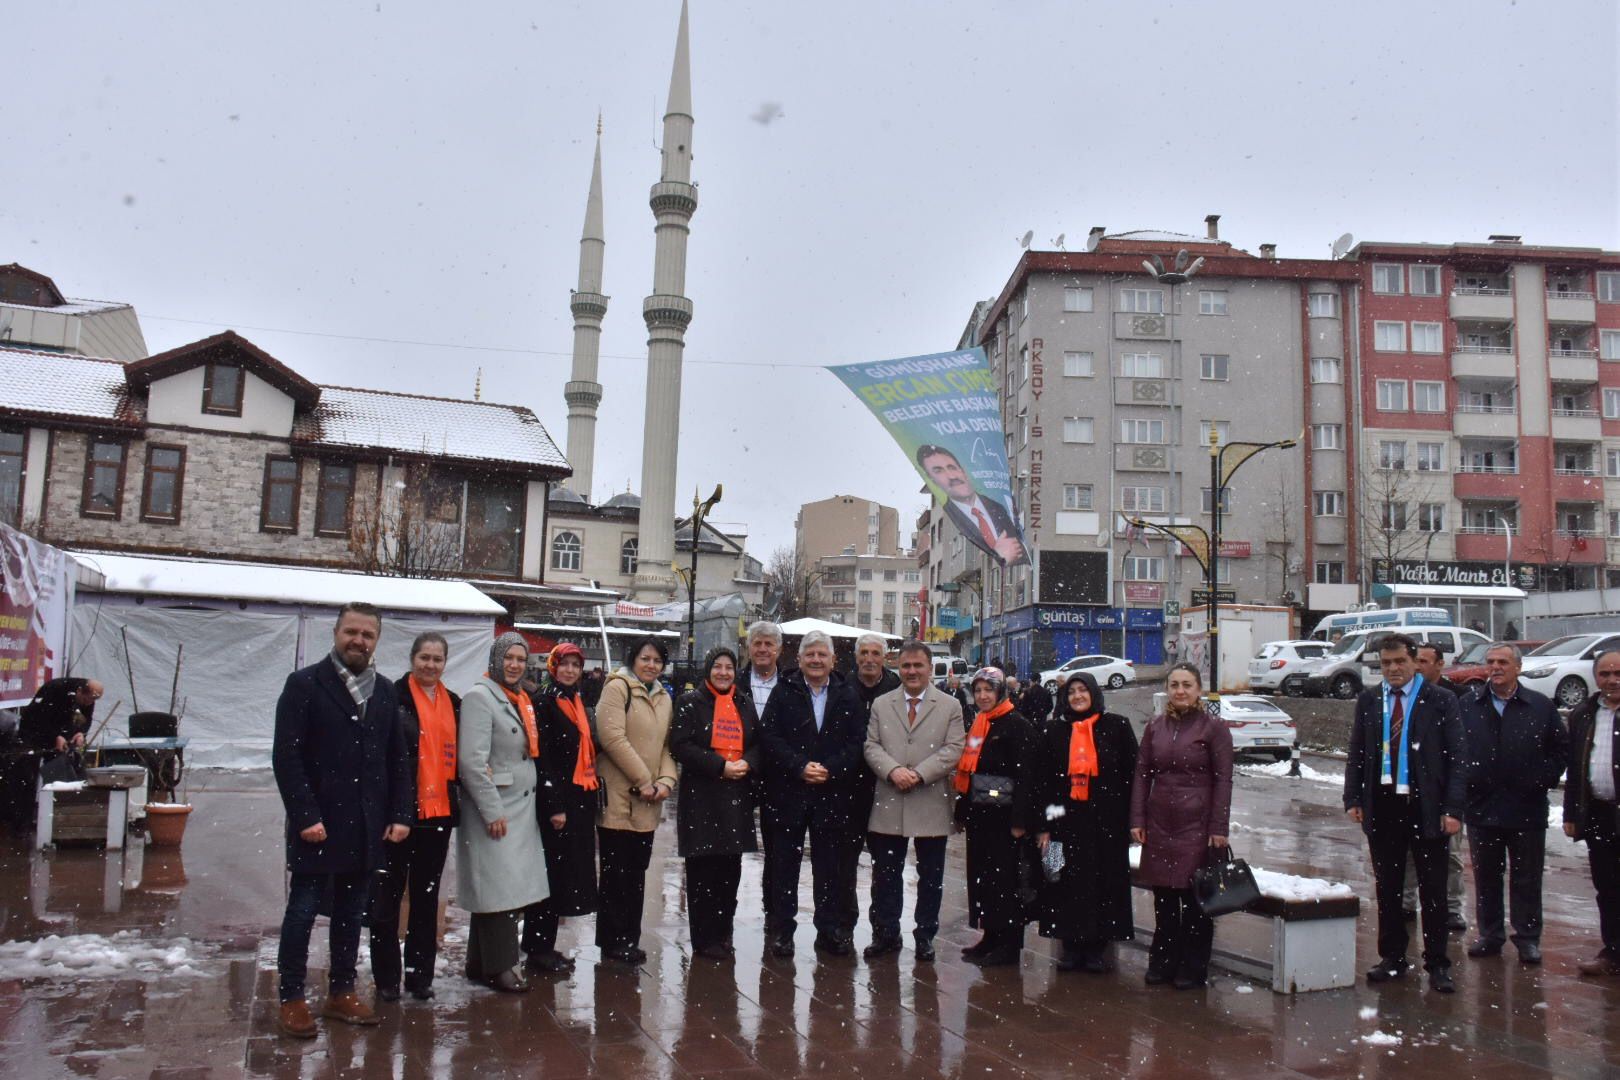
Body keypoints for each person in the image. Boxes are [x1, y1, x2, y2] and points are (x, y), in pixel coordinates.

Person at [271, 602, 411, 1038]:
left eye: (368, 634)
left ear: (377, 641)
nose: (359, 641)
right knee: (303, 912)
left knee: (352, 913)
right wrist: (305, 815)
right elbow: (286, 757)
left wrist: (400, 813)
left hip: (367, 825)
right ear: (335, 634)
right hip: (319, 824)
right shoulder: (304, 685)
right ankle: (292, 997)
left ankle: (341, 991)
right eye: (351, 631)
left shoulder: (385, 691)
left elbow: (397, 758)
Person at [1343, 633, 1465, 994]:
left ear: (1414, 662)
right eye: (1386, 663)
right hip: (1383, 806)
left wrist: (1454, 808)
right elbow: (1357, 752)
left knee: (1433, 891)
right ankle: (1393, 957)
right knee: (1389, 889)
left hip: (1426, 805)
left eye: (1400, 662)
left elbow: (1458, 758)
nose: (1393, 669)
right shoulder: (1369, 700)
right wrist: (1353, 797)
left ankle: (1438, 963)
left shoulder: (1439, 700)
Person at [758, 628, 867, 959]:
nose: (816, 660)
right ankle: (782, 931)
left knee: (829, 867)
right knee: (784, 865)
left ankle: (828, 929)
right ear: (800, 659)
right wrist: (800, 766)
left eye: (822, 654)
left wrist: (830, 769)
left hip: (832, 793)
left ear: (833, 659)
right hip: (790, 791)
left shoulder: (848, 694)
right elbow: (770, 737)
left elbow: (857, 743)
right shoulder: (784, 691)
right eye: (810, 654)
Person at [458, 632, 555, 993]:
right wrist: (491, 809)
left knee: (498, 886)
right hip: (496, 807)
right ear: (496, 660)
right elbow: (471, 761)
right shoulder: (480, 697)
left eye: (520, 658)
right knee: (498, 888)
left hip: (518, 806)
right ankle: (501, 967)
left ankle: (479, 961)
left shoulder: (517, 697)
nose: (514, 665)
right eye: (508, 658)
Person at [1460, 643, 1568, 966]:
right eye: (1490, 662)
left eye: (1503, 662)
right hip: (1483, 808)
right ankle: (1490, 934)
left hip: (1527, 809)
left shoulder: (1539, 706)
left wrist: (1541, 779)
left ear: (1517, 668)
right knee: (1487, 878)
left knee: (1527, 879)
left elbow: (1560, 750)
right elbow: (1455, 749)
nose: (1495, 667)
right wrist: (1470, 781)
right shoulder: (1469, 705)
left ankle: (1528, 938)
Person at [369, 632, 459, 1002]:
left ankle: (420, 975)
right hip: (400, 815)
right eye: (424, 657)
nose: (430, 665)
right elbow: (382, 760)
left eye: (437, 659)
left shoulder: (454, 702)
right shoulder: (390, 697)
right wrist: (392, 809)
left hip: (438, 814)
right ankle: (387, 977)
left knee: (426, 897)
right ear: (412, 658)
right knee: (387, 897)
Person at [1130, 663, 1232, 989]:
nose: (1180, 691)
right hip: (1160, 824)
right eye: (1174, 684)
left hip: (1197, 826)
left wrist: (1219, 826)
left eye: (1187, 684)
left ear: (1198, 689)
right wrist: (1137, 819)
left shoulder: (1214, 728)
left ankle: (1193, 966)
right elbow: (1142, 774)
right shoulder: (1155, 727)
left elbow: (1223, 780)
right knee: (1163, 899)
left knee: (1194, 899)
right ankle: (1162, 961)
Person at [862, 640, 965, 962]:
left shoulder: (950, 705)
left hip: (930, 801)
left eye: (918, 665)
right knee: (885, 876)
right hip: (889, 800)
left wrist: (919, 774)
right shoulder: (881, 704)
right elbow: (871, 746)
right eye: (905, 666)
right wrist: (893, 771)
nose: (911, 671)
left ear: (929, 668)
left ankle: (925, 936)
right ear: (898, 669)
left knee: (931, 877)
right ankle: (886, 933)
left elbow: (953, 749)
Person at [1034, 671, 1138, 973]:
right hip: (1062, 822)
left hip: (1106, 824)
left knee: (1103, 883)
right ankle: (1069, 945)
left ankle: (1096, 946)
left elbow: (1132, 776)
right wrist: (1044, 825)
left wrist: (1130, 819)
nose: (1077, 696)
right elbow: (1042, 782)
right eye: (1071, 692)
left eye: (1083, 690)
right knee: (1060, 880)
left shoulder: (1116, 727)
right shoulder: (1053, 731)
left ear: (1094, 693)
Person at [671, 646, 763, 959]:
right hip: (702, 797)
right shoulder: (689, 703)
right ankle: (704, 938)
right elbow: (681, 746)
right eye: (717, 666)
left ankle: (723, 932)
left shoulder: (744, 702)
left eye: (729, 667)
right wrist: (719, 765)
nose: (723, 672)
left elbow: (757, 743)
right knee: (702, 874)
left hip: (736, 798)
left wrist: (747, 763)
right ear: (708, 669)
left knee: (729, 871)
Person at [594, 636, 678, 964]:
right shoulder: (618, 688)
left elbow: (667, 747)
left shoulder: (663, 697)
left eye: (657, 660)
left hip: (649, 801)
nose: (651, 665)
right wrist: (644, 779)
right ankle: (612, 941)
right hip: (619, 797)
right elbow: (612, 737)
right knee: (616, 872)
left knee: (636, 872)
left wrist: (666, 781)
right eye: (645, 658)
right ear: (634, 659)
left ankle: (629, 937)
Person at [524, 643, 600, 974]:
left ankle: (545, 945)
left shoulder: (576, 701)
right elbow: (543, 758)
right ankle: (538, 948)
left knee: (564, 875)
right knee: (550, 876)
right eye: (564, 664)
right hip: (559, 804)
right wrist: (554, 805)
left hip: (579, 799)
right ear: (553, 667)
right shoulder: (545, 702)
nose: (570, 670)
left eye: (575, 665)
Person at [954, 666, 1035, 967]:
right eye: (978, 690)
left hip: (1005, 820)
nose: (983, 695)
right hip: (981, 817)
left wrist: (1020, 820)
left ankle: (1009, 945)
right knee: (984, 880)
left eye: (989, 690)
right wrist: (962, 810)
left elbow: (1027, 777)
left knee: (1006, 883)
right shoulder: (980, 723)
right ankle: (990, 936)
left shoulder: (1017, 725)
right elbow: (969, 770)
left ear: (1001, 691)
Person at [1401, 643, 1468, 933]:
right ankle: (1405, 903)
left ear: (1441, 664)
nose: (1418, 667)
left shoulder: (1457, 698)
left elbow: (1460, 750)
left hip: (1443, 794)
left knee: (1450, 856)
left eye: (1425, 661)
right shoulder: (1402, 697)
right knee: (1406, 854)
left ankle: (1451, 908)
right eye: (1415, 661)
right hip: (1410, 792)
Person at [1565, 649, 1620, 977]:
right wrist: (1572, 812)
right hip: (1600, 814)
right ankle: (1612, 951)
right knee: (1607, 886)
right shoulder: (1584, 713)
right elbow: (1575, 767)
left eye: (1618, 673)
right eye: (1605, 674)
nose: (1612, 680)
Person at [845, 632, 900, 943]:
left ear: (884, 657)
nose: (868, 659)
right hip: (849, 789)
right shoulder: (842, 688)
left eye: (874, 653)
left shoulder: (896, 689)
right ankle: (844, 924)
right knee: (845, 863)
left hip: (886, 789)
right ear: (856, 657)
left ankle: (885, 929)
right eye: (863, 653)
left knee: (887, 865)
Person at [741, 620, 791, 932]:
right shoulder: (733, 682)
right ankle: (723, 913)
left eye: (768, 644)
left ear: (779, 650)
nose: (762, 649)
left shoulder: (791, 684)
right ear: (749, 648)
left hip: (779, 774)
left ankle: (774, 912)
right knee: (731, 845)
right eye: (757, 644)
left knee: (778, 849)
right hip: (741, 770)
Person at [915, 443, 1027, 565]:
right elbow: (1008, 554)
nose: (952, 476)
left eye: (952, 467)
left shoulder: (998, 507)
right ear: (932, 480)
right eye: (939, 471)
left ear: (963, 470)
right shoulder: (952, 515)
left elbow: (1020, 549)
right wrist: (1001, 555)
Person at [19, 676, 103, 751]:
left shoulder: (89, 695)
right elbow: (41, 717)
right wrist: (55, 736)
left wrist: (81, 732)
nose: (87, 704)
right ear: (79, 690)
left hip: (59, 731)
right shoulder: (56, 689)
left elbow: (87, 717)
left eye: (91, 702)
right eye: (84, 700)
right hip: (34, 728)